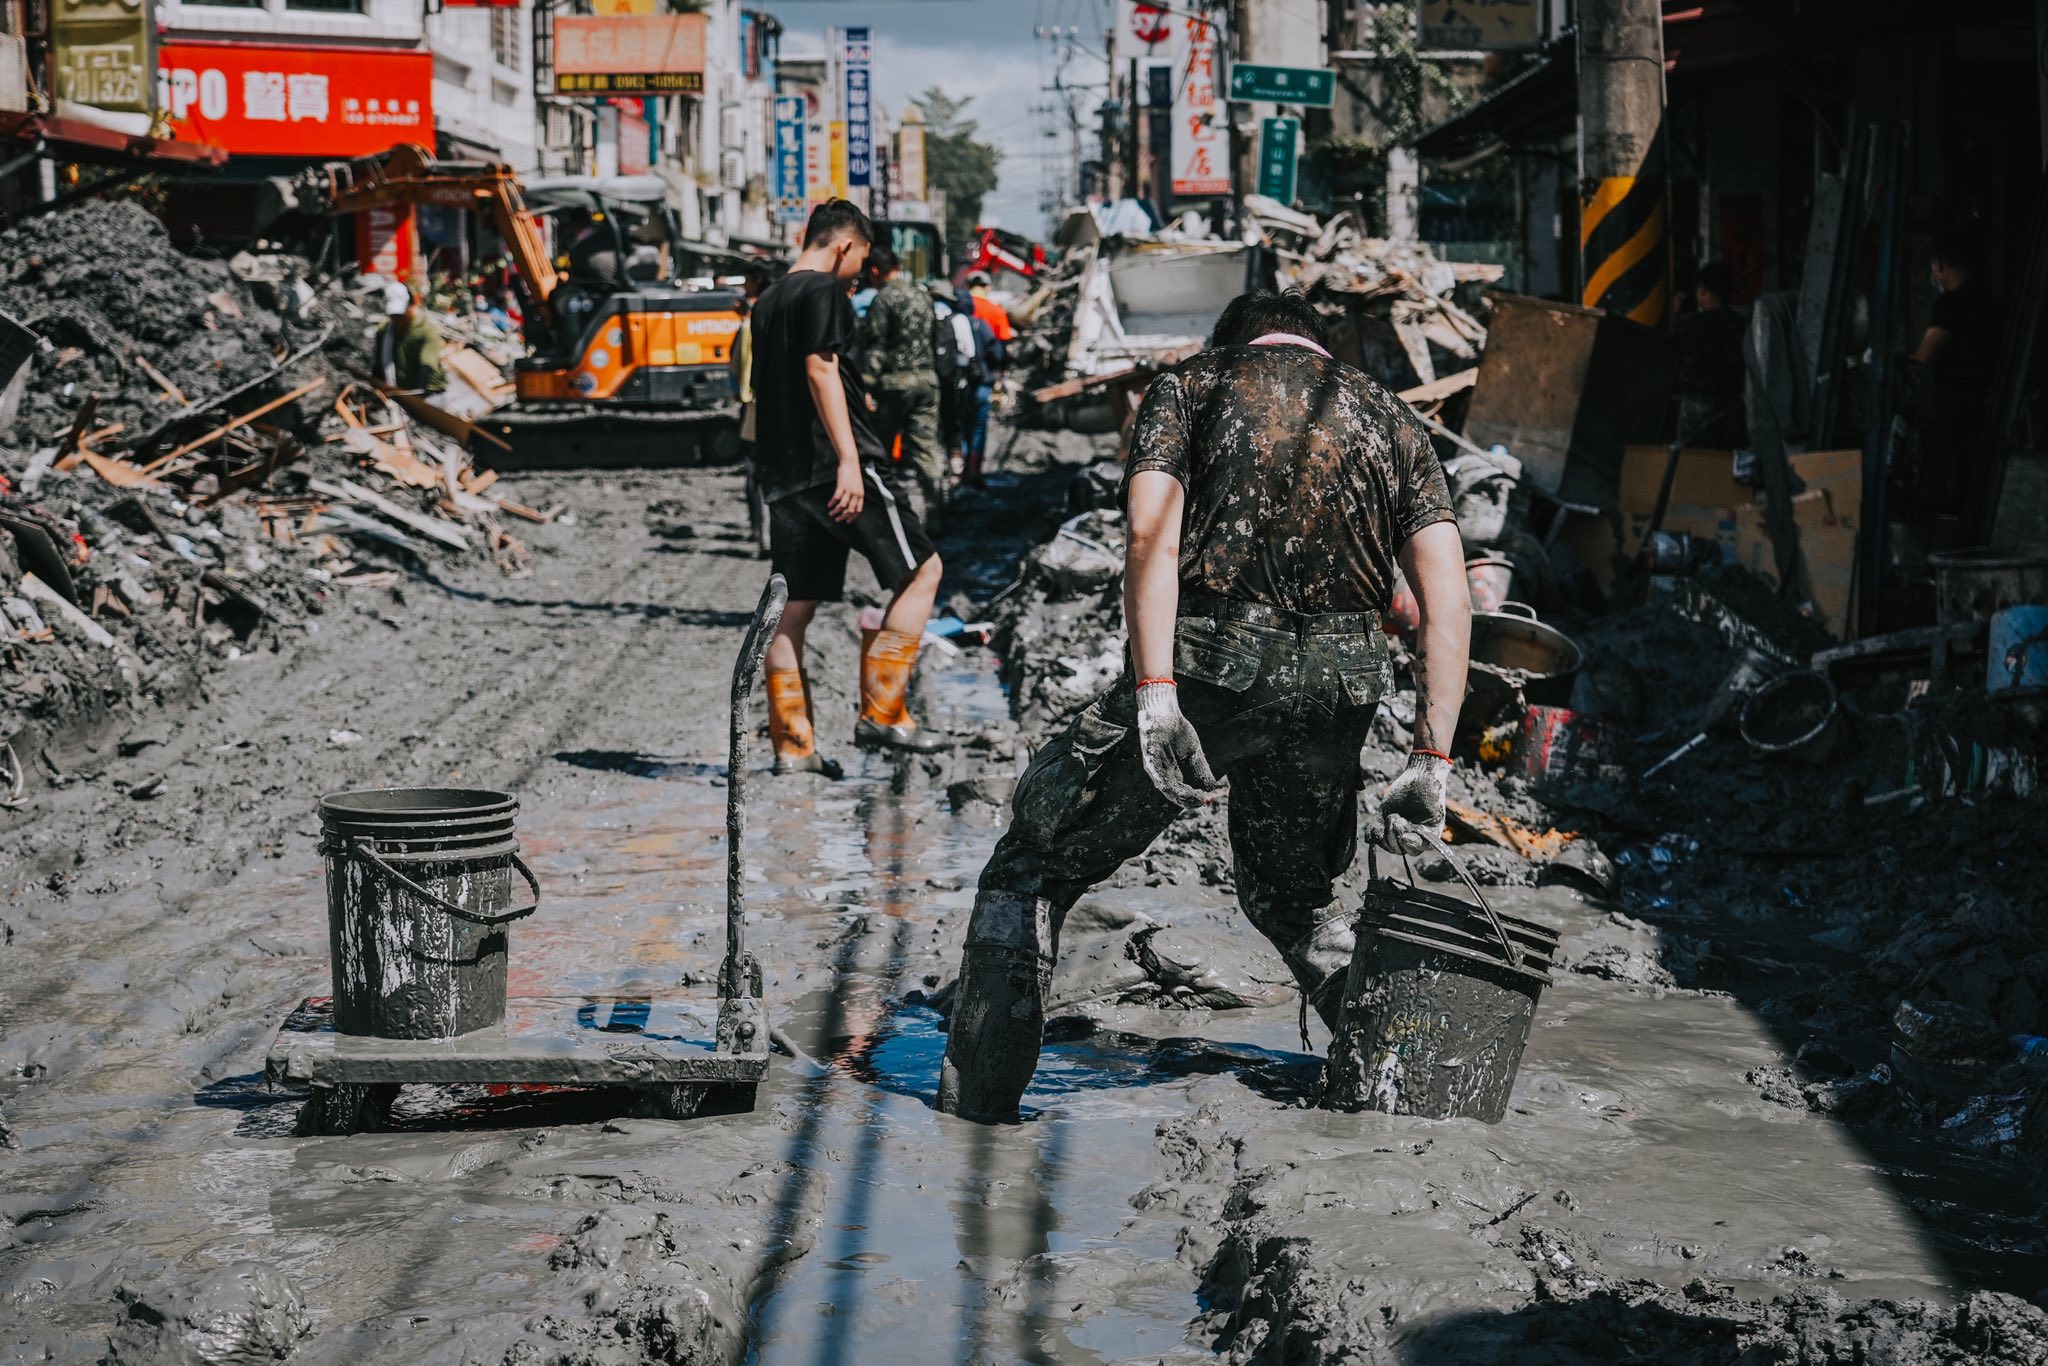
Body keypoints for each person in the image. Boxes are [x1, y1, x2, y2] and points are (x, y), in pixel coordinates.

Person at [935, 289, 1471, 1123]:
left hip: (1208, 668)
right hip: (1339, 689)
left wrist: (1154, 695)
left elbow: (1150, 532)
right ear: (1320, 348)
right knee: (1298, 902)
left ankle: (976, 1112)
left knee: (1032, 867)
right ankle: (1414, 1089)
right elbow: (1449, 595)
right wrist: (1432, 757)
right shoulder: (1392, 415)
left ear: (1235, 342)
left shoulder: (1192, 386)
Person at [750, 199, 950, 777]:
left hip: (784, 475)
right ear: (843, 245)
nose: (861, 271)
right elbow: (819, 368)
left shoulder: (767, 300)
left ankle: (793, 748)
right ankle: (885, 712)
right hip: (835, 465)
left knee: (793, 611)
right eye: (860, 256)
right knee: (922, 571)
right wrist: (846, 460)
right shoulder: (822, 291)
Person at [1910, 229, 2000, 514]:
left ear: (1939, 264)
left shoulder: (1949, 304)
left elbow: (1923, 358)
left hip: (1955, 406)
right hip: (1985, 403)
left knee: (1950, 482)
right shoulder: (1989, 301)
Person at [860, 246, 946, 524]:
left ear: (874, 271)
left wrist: (867, 386)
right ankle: (936, 513)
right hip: (927, 382)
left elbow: (875, 348)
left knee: (880, 451)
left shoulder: (883, 300)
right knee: (926, 449)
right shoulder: (923, 295)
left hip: (895, 385)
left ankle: (884, 514)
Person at [1673, 260, 1747, 448]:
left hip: (1696, 405)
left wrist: (1674, 314)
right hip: (1732, 406)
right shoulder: (1741, 325)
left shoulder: (1689, 325)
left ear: (1703, 291)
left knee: (1691, 457)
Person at [954, 285, 1002, 486]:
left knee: (962, 427)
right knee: (979, 429)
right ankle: (974, 471)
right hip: (981, 385)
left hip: (958, 386)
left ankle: (961, 472)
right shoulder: (981, 325)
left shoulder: (951, 324)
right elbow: (998, 354)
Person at [374, 282, 446, 395]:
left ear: (411, 305)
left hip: (428, 391)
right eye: (393, 315)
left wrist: (415, 399)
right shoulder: (384, 332)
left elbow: (427, 368)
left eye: (400, 314)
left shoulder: (426, 330)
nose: (397, 318)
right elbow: (378, 364)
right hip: (399, 390)